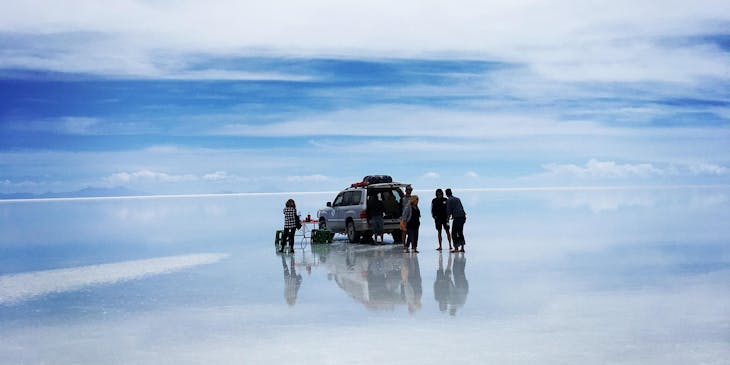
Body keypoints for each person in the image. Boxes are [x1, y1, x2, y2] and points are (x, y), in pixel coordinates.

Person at [445, 188, 466, 252]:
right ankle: (462, 248)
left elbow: (448, 212)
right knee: (460, 232)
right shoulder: (457, 199)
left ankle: (456, 248)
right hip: (462, 217)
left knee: (454, 233)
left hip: (457, 218)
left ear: (446, 194)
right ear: (451, 192)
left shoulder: (449, 200)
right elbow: (461, 208)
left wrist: (447, 220)